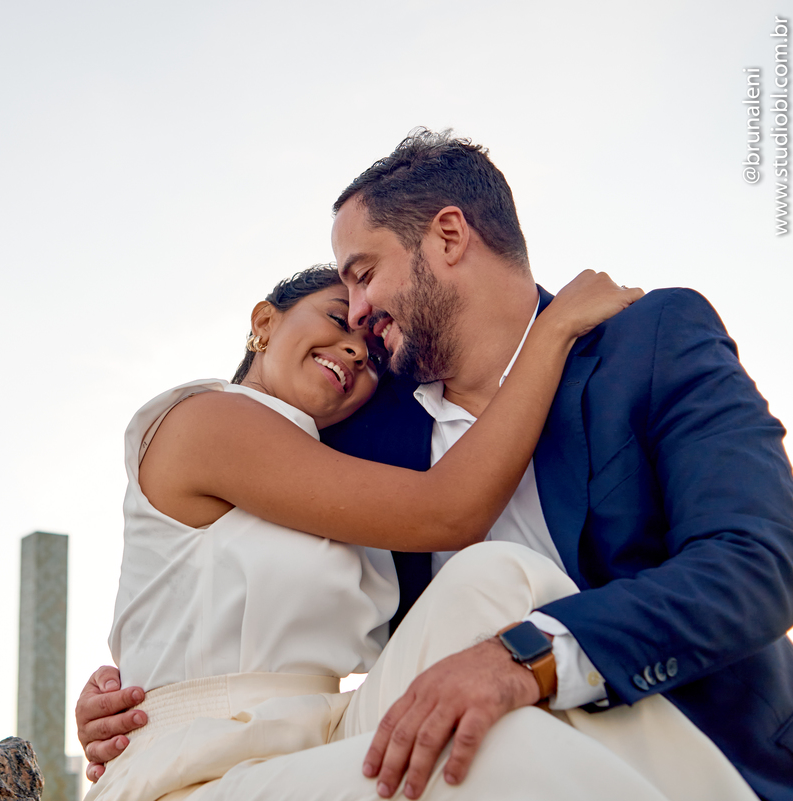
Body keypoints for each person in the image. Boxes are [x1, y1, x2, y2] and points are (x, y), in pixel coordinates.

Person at [79, 130, 793, 801]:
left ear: (449, 236)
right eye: (342, 300)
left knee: (501, 586)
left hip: (708, 752)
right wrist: (140, 696)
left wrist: (527, 659)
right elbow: (222, 563)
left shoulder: (647, 339)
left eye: (363, 276)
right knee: (494, 675)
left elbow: (757, 560)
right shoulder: (361, 425)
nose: (358, 318)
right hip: (376, 750)